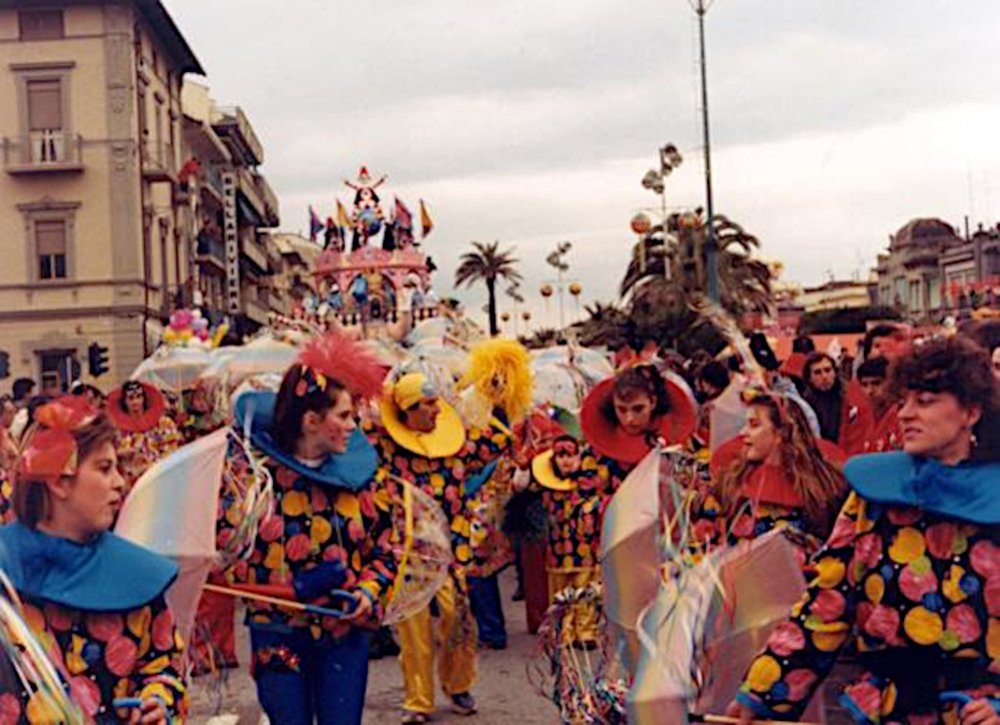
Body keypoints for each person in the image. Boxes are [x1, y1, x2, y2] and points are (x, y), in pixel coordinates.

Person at [730, 337, 1000, 724]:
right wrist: (760, 694)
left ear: (970, 412)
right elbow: (826, 602)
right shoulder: (873, 495)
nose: (905, 414)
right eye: (903, 401)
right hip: (888, 711)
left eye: (924, 402)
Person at [219, 332, 397, 725]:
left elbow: (387, 549)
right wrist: (296, 584)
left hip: (344, 635)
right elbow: (227, 553)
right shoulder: (253, 480)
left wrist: (368, 590)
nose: (355, 425)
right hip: (277, 634)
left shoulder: (364, 478)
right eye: (344, 416)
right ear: (312, 421)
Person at [0, 396, 187, 722]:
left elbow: (165, 664)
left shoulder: (136, 575)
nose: (119, 482)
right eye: (104, 468)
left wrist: (158, 699)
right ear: (59, 481)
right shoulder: (4, 573)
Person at [368, 372, 483, 723]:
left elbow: (495, 443)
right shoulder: (385, 449)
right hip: (407, 556)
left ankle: (458, 683)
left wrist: (488, 396)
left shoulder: (456, 442)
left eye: (436, 402)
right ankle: (418, 700)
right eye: (427, 404)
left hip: (450, 553)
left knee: (456, 619)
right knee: (413, 630)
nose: (437, 410)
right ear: (407, 410)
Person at [709, 389, 848, 563]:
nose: (743, 432)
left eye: (754, 424)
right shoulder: (731, 480)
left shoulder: (827, 485)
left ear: (781, 434)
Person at [530, 435, 606, 648]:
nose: (566, 461)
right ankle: (562, 633)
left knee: (585, 590)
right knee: (560, 593)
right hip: (556, 550)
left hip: (584, 550)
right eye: (561, 456)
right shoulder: (544, 485)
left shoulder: (590, 484)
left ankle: (585, 632)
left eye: (570, 455)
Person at [106, 381, 183, 489]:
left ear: (144, 399)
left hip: (159, 478)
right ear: (124, 402)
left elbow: (171, 453)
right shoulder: (116, 430)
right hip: (130, 485)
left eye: (138, 397)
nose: (135, 402)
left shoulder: (164, 424)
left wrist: (149, 467)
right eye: (131, 398)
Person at [801, 351, 871, 454]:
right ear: (809, 378)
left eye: (828, 370)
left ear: (835, 372)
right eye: (817, 372)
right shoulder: (805, 403)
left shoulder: (850, 396)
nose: (824, 376)